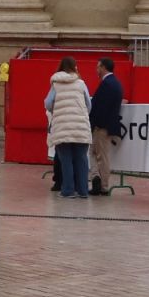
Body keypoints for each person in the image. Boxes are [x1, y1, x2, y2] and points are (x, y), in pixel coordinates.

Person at [43, 57, 92, 199]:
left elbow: (48, 103)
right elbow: (88, 104)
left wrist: (56, 110)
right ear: (74, 67)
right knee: (81, 159)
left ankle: (68, 190)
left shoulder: (56, 84)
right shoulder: (81, 83)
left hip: (62, 126)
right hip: (80, 126)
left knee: (66, 160)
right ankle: (83, 190)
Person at [89, 57, 126, 195]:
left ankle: (102, 184)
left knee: (100, 156)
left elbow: (100, 108)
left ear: (104, 68)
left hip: (101, 128)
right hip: (107, 126)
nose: (96, 69)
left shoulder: (106, 84)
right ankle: (96, 179)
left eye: (98, 67)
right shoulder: (116, 83)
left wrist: (95, 125)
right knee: (95, 153)